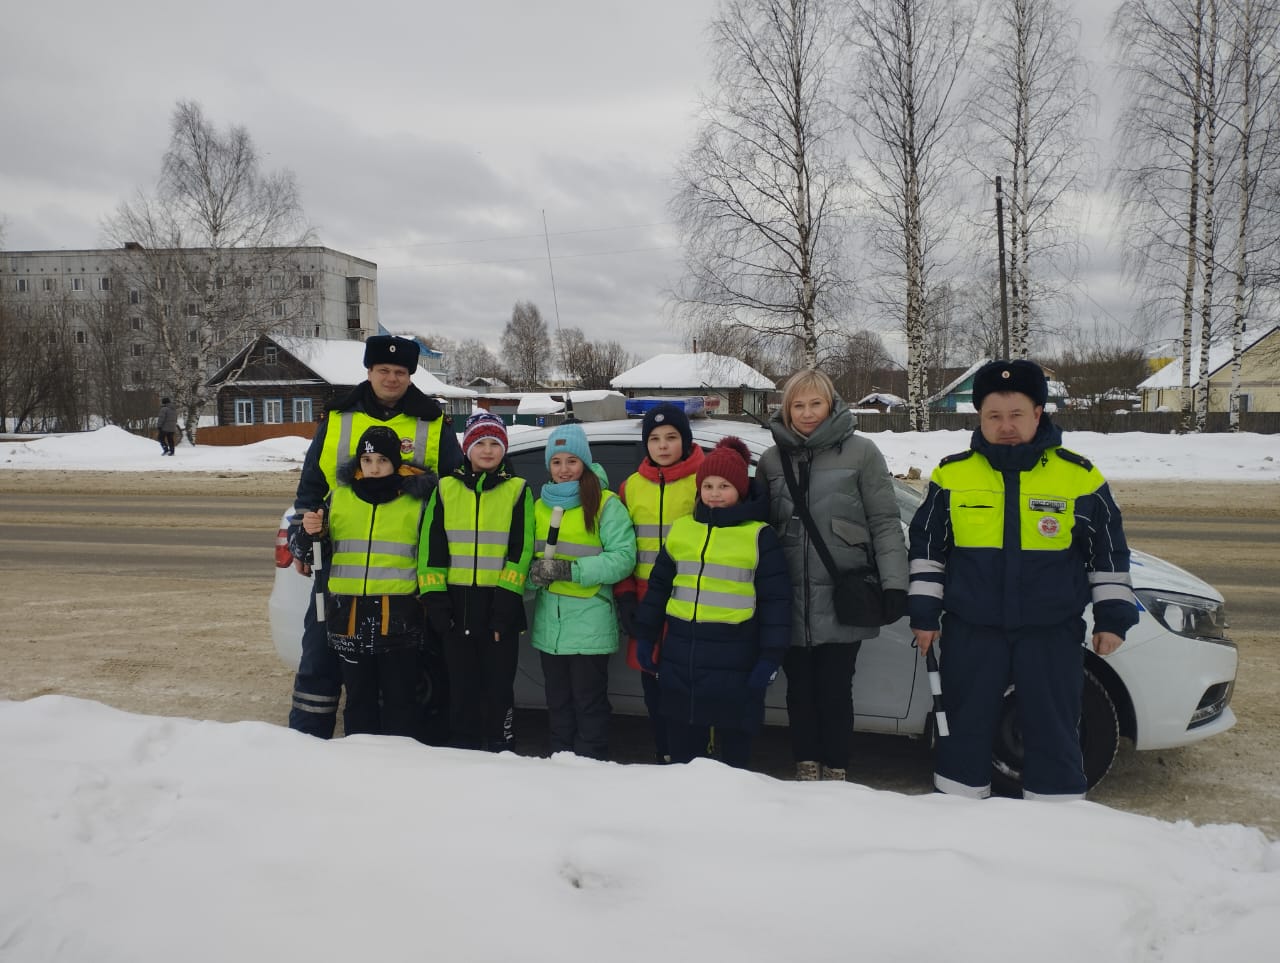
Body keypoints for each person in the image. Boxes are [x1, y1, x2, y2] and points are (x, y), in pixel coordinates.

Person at [908, 359, 1139, 801]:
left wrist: (1112, 617)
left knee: (1054, 733)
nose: (1006, 426)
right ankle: (956, 826)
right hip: (972, 631)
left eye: (1016, 414)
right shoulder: (951, 474)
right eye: (994, 416)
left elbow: (1108, 551)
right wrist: (923, 613)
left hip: (1049, 632)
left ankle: (1054, 827)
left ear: (1038, 413)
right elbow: (927, 549)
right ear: (980, 417)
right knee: (962, 731)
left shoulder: (1078, 475)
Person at [288, 334, 463, 739]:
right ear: (368, 372)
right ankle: (304, 740)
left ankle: (389, 749)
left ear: (410, 375)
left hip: (402, 571)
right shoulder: (337, 416)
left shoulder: (432, 420)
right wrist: (303, 537)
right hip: (338, 559)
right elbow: (312, 485)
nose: (391, 378)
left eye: (400, 372)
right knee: (320, 654)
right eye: (383, 370)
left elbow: (453, 487)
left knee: (396, 673)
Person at [758, 369, 908, 781]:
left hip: (843, 598)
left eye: (815, 404)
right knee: (798, 693)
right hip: (788, 598)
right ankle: (806, 765)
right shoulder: (773, 459)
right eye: (798, 406)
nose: (807, 414)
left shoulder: (861, 452)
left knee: (836, 691)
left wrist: (895, 583)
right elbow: (759, 527)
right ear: (787, 410)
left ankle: (837, 767)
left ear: (831, 405)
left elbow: (884, 521)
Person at [633, 437, 791, 769]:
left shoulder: (759, 536)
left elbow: (777, 604)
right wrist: (645, 637)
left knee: (733, 757)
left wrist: (769, 658)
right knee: (683, 754)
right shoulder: (682, 530)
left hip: (735, 657)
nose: (715, 493)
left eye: (724, 485)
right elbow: (659, 588)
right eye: (707, 485)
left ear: (740, 490)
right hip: (681, 655)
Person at [287, 425, 436, 736]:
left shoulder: (417, 500)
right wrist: (308, 532)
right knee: (358, 699)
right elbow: (313, 555)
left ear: (396, 462)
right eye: (367, 460)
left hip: (398, 617)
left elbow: (432, 553)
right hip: (349, 616)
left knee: (401, 700)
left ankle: (401, 764)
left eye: (382, 460)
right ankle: (359, 764)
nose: (374, 468)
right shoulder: (339, 498)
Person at [417, 412, 534, 752]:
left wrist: (506, 605)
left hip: (499, 605)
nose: (487, 450)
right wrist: (436, 603)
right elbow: (431, 548)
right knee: (461, 685)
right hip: (455, 606)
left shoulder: (518, 490)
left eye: (494, 443)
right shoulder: (445, 488)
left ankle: (501, 743)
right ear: (466, 448)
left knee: (499, 686)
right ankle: (463, 747)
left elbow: (521, 549)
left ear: (504, 449)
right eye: (479, 443)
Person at [527, 423, 636, 760]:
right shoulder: (538, 506)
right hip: (551, 626)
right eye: (556, 462)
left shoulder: (605, 504)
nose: (564, 469)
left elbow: (622, 558)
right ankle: (560, 759)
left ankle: (591, 762)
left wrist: (571, 571)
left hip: (590, 623)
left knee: (588, 703)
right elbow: (526, 559)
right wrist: (534, 575)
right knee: (557, 701)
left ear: (585, 463)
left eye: (572, 461)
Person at [613, 402, 705, 763]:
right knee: (653, 687)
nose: (663, 446)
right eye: (654, 438)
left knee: (687, 688)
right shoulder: (631, 487)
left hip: (692, 605)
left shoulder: (704, 481)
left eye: (671, 437)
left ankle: (693, 758)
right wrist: (624, 597)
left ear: (685, 439)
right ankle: (663, 754)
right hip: (646, 605)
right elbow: (622, 547)